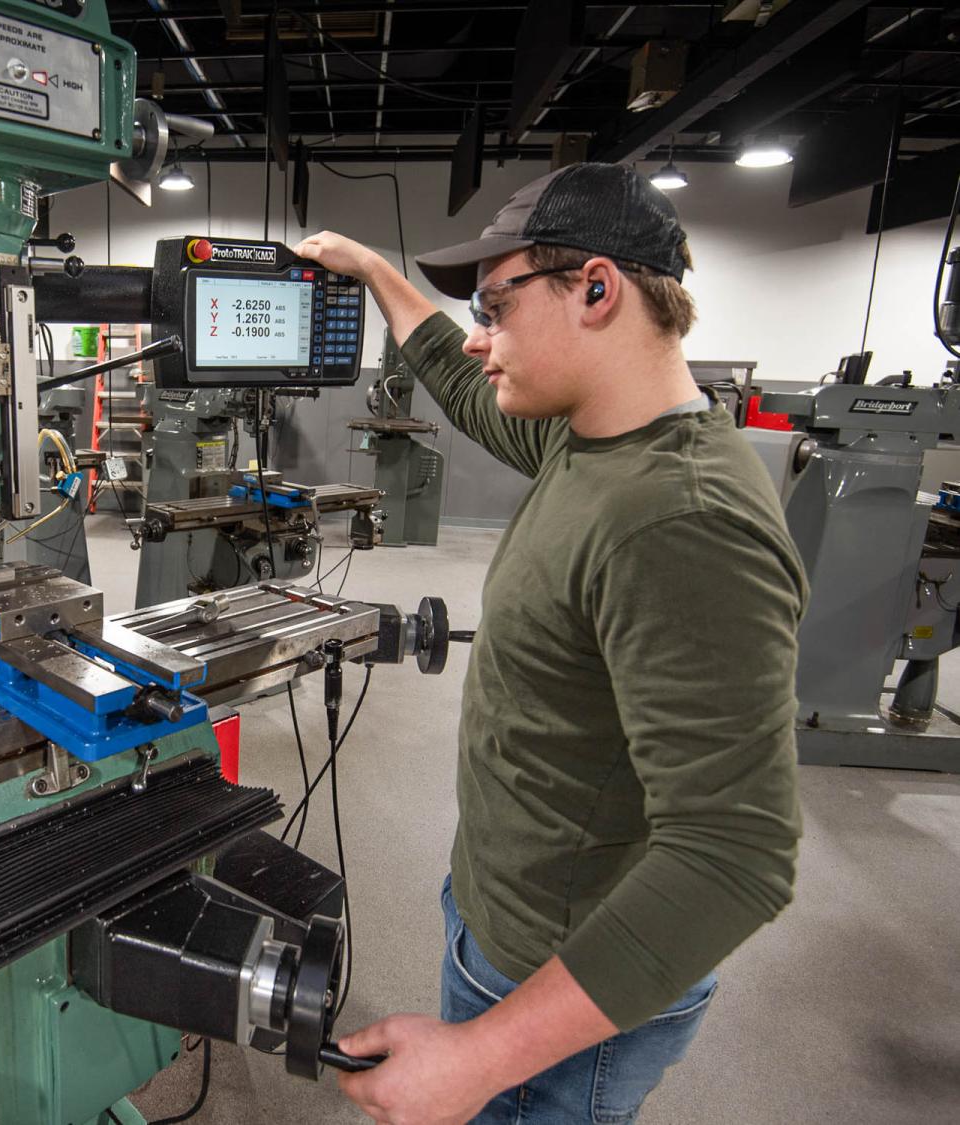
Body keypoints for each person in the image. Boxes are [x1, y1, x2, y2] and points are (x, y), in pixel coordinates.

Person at [293, 163, 806, 1125]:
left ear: (598, 290)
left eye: (497, 304)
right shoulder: (595, 438)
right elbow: (457, 371)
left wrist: (480, 1055)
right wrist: (371, 269)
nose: (483, 336)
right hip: (511, 915)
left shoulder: (679, 520)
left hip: (559, 990)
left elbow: (736, 855)